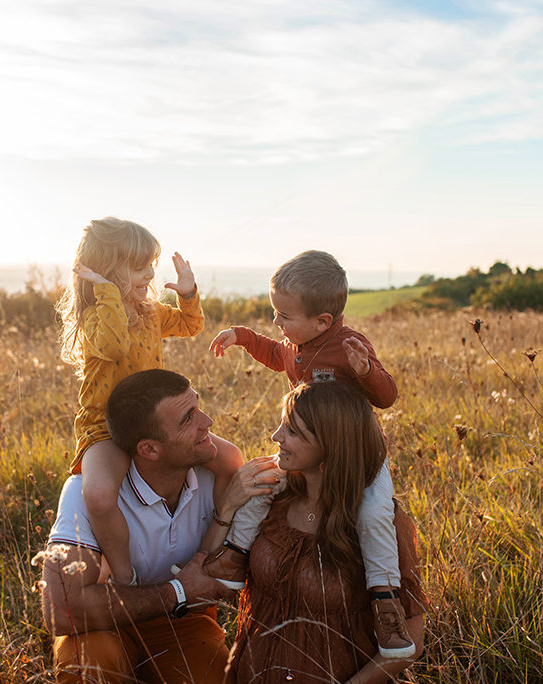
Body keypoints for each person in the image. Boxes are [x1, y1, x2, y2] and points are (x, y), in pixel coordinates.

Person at [206, 250, 412, 657]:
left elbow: (387, 396)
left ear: (323, 321)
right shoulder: (296, 344)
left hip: (356, 453)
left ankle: (386, 603)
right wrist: (242, 336)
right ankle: (233, 557)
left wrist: (366, 371)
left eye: (284, 316)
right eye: (275, 313)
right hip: (306, 447)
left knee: (373, 514)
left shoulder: (348, 345)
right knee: (264, 482)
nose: (277, 324)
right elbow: (273, 352)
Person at [40, 369, 280, 684]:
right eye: (188, 418)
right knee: (91, 670)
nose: (207, 422)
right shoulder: (86, 491)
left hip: (183, 624)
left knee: (215, 677)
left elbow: (222, 581)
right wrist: (177, 591)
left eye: (199, 407)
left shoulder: (217, 478)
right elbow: (60, 610)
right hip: (103, 628)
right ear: (149, 449)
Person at [56, 217, 243, 586]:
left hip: (155, 423)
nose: (148, 275)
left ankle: (214, 551)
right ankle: (125, 576)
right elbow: (113, 345)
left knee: (231, 459)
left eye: (150, 266)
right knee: (97, 493)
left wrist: (188, 295)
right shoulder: (97, 318)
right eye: (138, 267)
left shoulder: (151, 313)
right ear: (109, 272)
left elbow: (191, 326)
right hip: (105, 429)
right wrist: (107, 293)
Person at [225, 382, 427, 684]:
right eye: (281, 425)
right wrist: (226, 506)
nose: (275, 437)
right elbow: (217, 583)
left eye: (292, 431)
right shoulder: (271, 499)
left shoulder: (376, 526)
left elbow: (410, 641)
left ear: (330, 446)